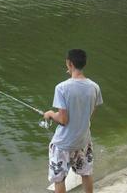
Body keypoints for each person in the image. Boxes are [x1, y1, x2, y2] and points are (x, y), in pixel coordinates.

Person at [44, 49, 103, 193]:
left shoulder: (61, 88)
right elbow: (91, 113)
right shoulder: (95, 87)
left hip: (63, 143)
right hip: (83, 140)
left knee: (59, 180)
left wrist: (51, 114)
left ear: (69, 63)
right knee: (86, 173)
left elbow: (63, 120)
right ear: (84, 64)